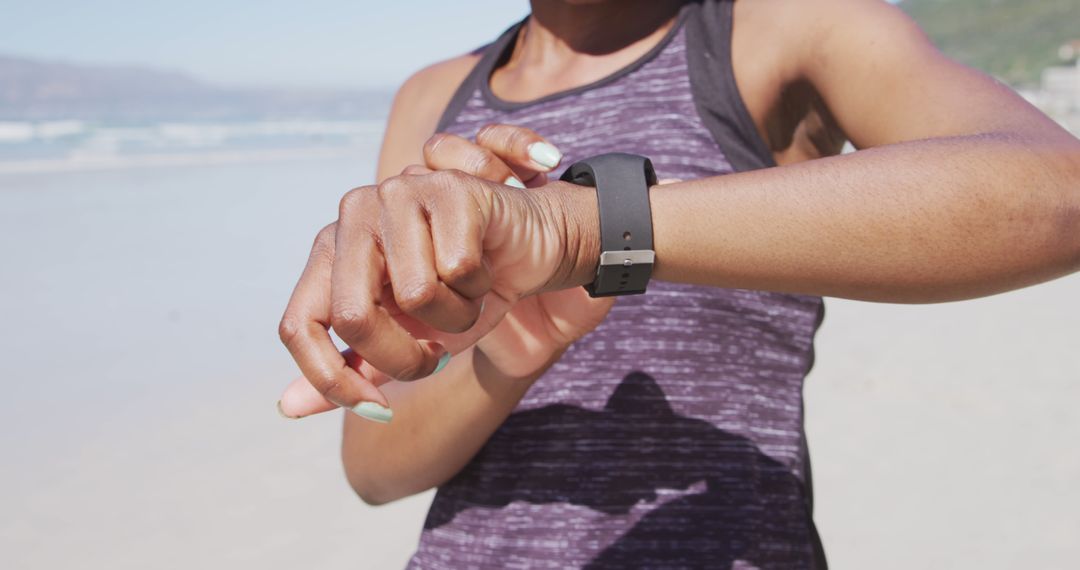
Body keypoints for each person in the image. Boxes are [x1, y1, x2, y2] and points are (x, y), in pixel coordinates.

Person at [276, 0, 1080, 567]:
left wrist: (582, 232)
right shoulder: (433, 95)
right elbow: (376, 467)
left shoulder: (779, 28)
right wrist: (518, 345)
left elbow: (1055, 193)